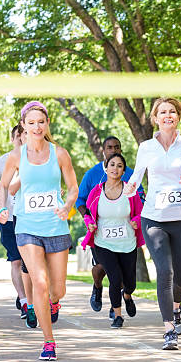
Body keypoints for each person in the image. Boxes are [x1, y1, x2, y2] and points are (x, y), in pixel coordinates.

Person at [0, 101, 78, 361]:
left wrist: (67, 206)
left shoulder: (60, 153)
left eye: (40, 122)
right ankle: (48, 341)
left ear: (47, 124)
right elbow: (3, 186)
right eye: (30, 123)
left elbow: (73, 187)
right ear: (23, 126)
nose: (36, 126)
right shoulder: (16, 156)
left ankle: (54, 302)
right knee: (39, 284)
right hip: (27, 227)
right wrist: (1, 208)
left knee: (58, 289)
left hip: (56, 226)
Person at [126, 97, 181, 350]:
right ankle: (169, 329)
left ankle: (177, 307)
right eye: (162, 112)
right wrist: (130, 186)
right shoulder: (146, 147)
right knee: (164, 272)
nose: (168, 115)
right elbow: (136, 175)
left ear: (178, 116)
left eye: (172, 112)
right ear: (155, 118)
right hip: (154, 218)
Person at [76, 136, 144, 319]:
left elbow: (140, 201)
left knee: (122, 277)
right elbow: (81, 201)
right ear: (103, 152)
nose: (113, 150)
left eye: (117, 147)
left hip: (125, 236)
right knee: (101, 269)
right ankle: (97, 287)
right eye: (109, 147)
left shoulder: (130, 174)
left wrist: (137, 219)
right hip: (100, 234)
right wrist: (88, 219)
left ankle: (119, 303)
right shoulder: (92, 175)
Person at [0, 125, 32, 320]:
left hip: (31, 218)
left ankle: (33, 298)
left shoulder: (39, 159)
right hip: (9, 218)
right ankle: (24, 301)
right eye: (18, 136)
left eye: (25, 135)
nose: (22, 139)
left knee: (32, 262)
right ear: (13, 139)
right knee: (16, 260)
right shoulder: (2, 161)